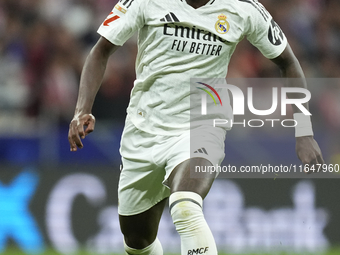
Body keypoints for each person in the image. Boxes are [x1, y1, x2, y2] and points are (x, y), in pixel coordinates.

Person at [68, 0, 324, 254]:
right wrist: (82, 109)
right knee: (137, 239)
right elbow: (100, 51)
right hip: (144, 128)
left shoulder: (243, 7)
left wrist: (304, 131)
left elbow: (288, 62)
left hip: (203, 124)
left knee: (185, 206)